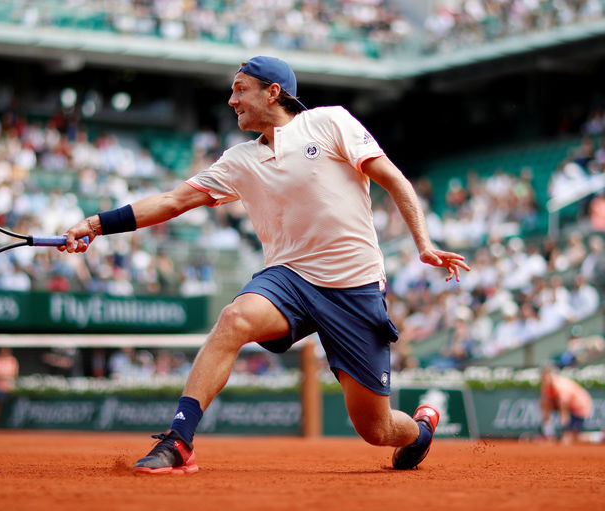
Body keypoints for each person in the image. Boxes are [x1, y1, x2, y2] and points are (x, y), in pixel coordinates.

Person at [60, 56, 470, 473]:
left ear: (273, 91)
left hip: (354, 286)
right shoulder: (239, 160)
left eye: (240, 89)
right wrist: (96, 224)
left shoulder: (330, 123)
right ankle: (179, 441)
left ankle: (420, 431)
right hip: (289, 279)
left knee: (376, 430)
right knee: (234, 319)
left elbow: (394, 179)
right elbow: (171, 201)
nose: (231, 99)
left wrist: (424, 243)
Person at [540, 364, 593, 444]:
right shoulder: (546, 387)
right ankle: (549, 433)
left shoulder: (561, 387)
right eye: (544, 376)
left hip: (580, 407)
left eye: (547, 375)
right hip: (569, 407)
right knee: (567, 438)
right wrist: (547, 429)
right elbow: (545, 404)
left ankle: (598, 436)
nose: (545, 378)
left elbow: (564, 410)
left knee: (572, 438)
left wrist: (564, 429)